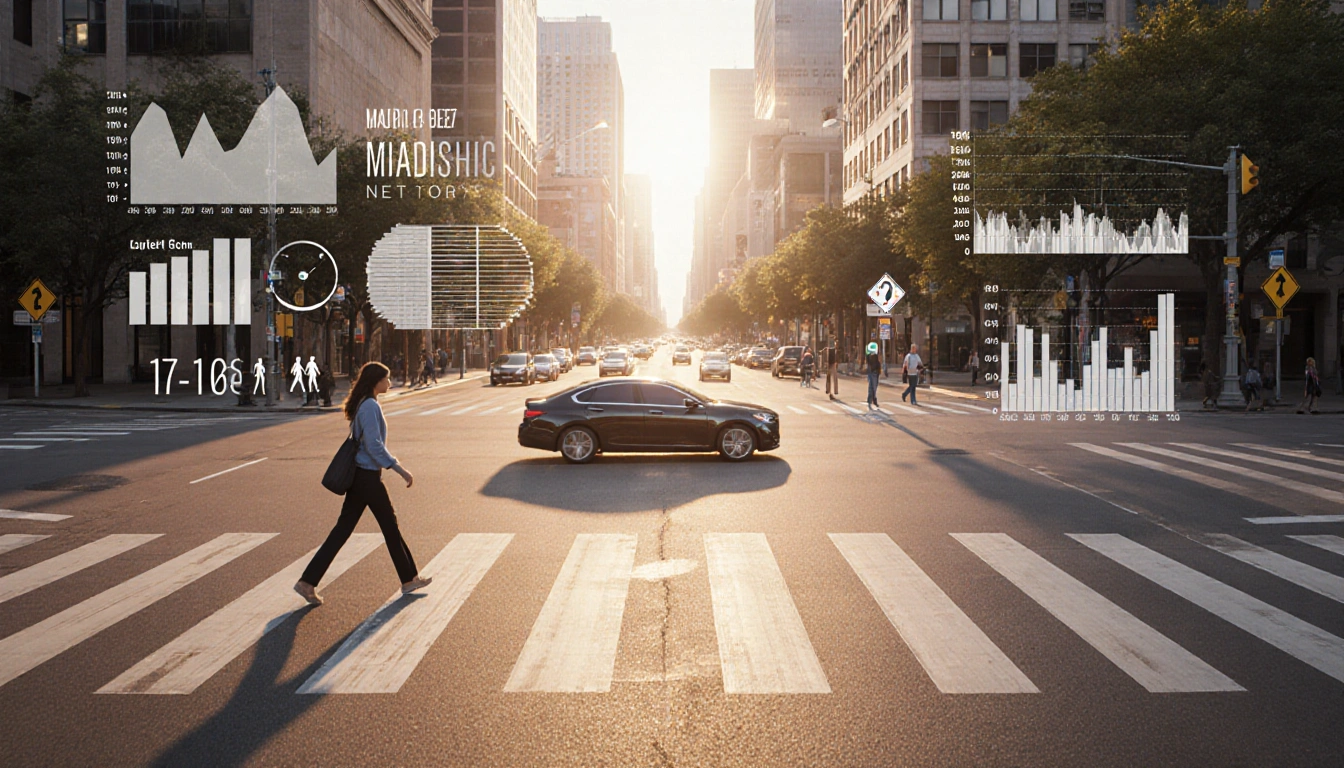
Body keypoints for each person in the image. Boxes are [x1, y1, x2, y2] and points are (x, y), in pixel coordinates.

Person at [295, 362, 431, 605]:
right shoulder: (369, 406)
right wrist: (399, 469)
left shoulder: (367, 403)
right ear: (375, 381)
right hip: (367, 478)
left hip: (362, 477)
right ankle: (409, 579)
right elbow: (373, 445)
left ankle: (307, 582)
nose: (389, 382)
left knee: (344, 530)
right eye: (386, 378)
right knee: (389, 526)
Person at [865, 342, 881, 409]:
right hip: (873, 372)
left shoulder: (875, 356)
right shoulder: (870, 356)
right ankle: (872, 400)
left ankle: (871, 399)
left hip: (875, 372)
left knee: (873, 386)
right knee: (872, 386)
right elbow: (870, 362)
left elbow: (877, 363)